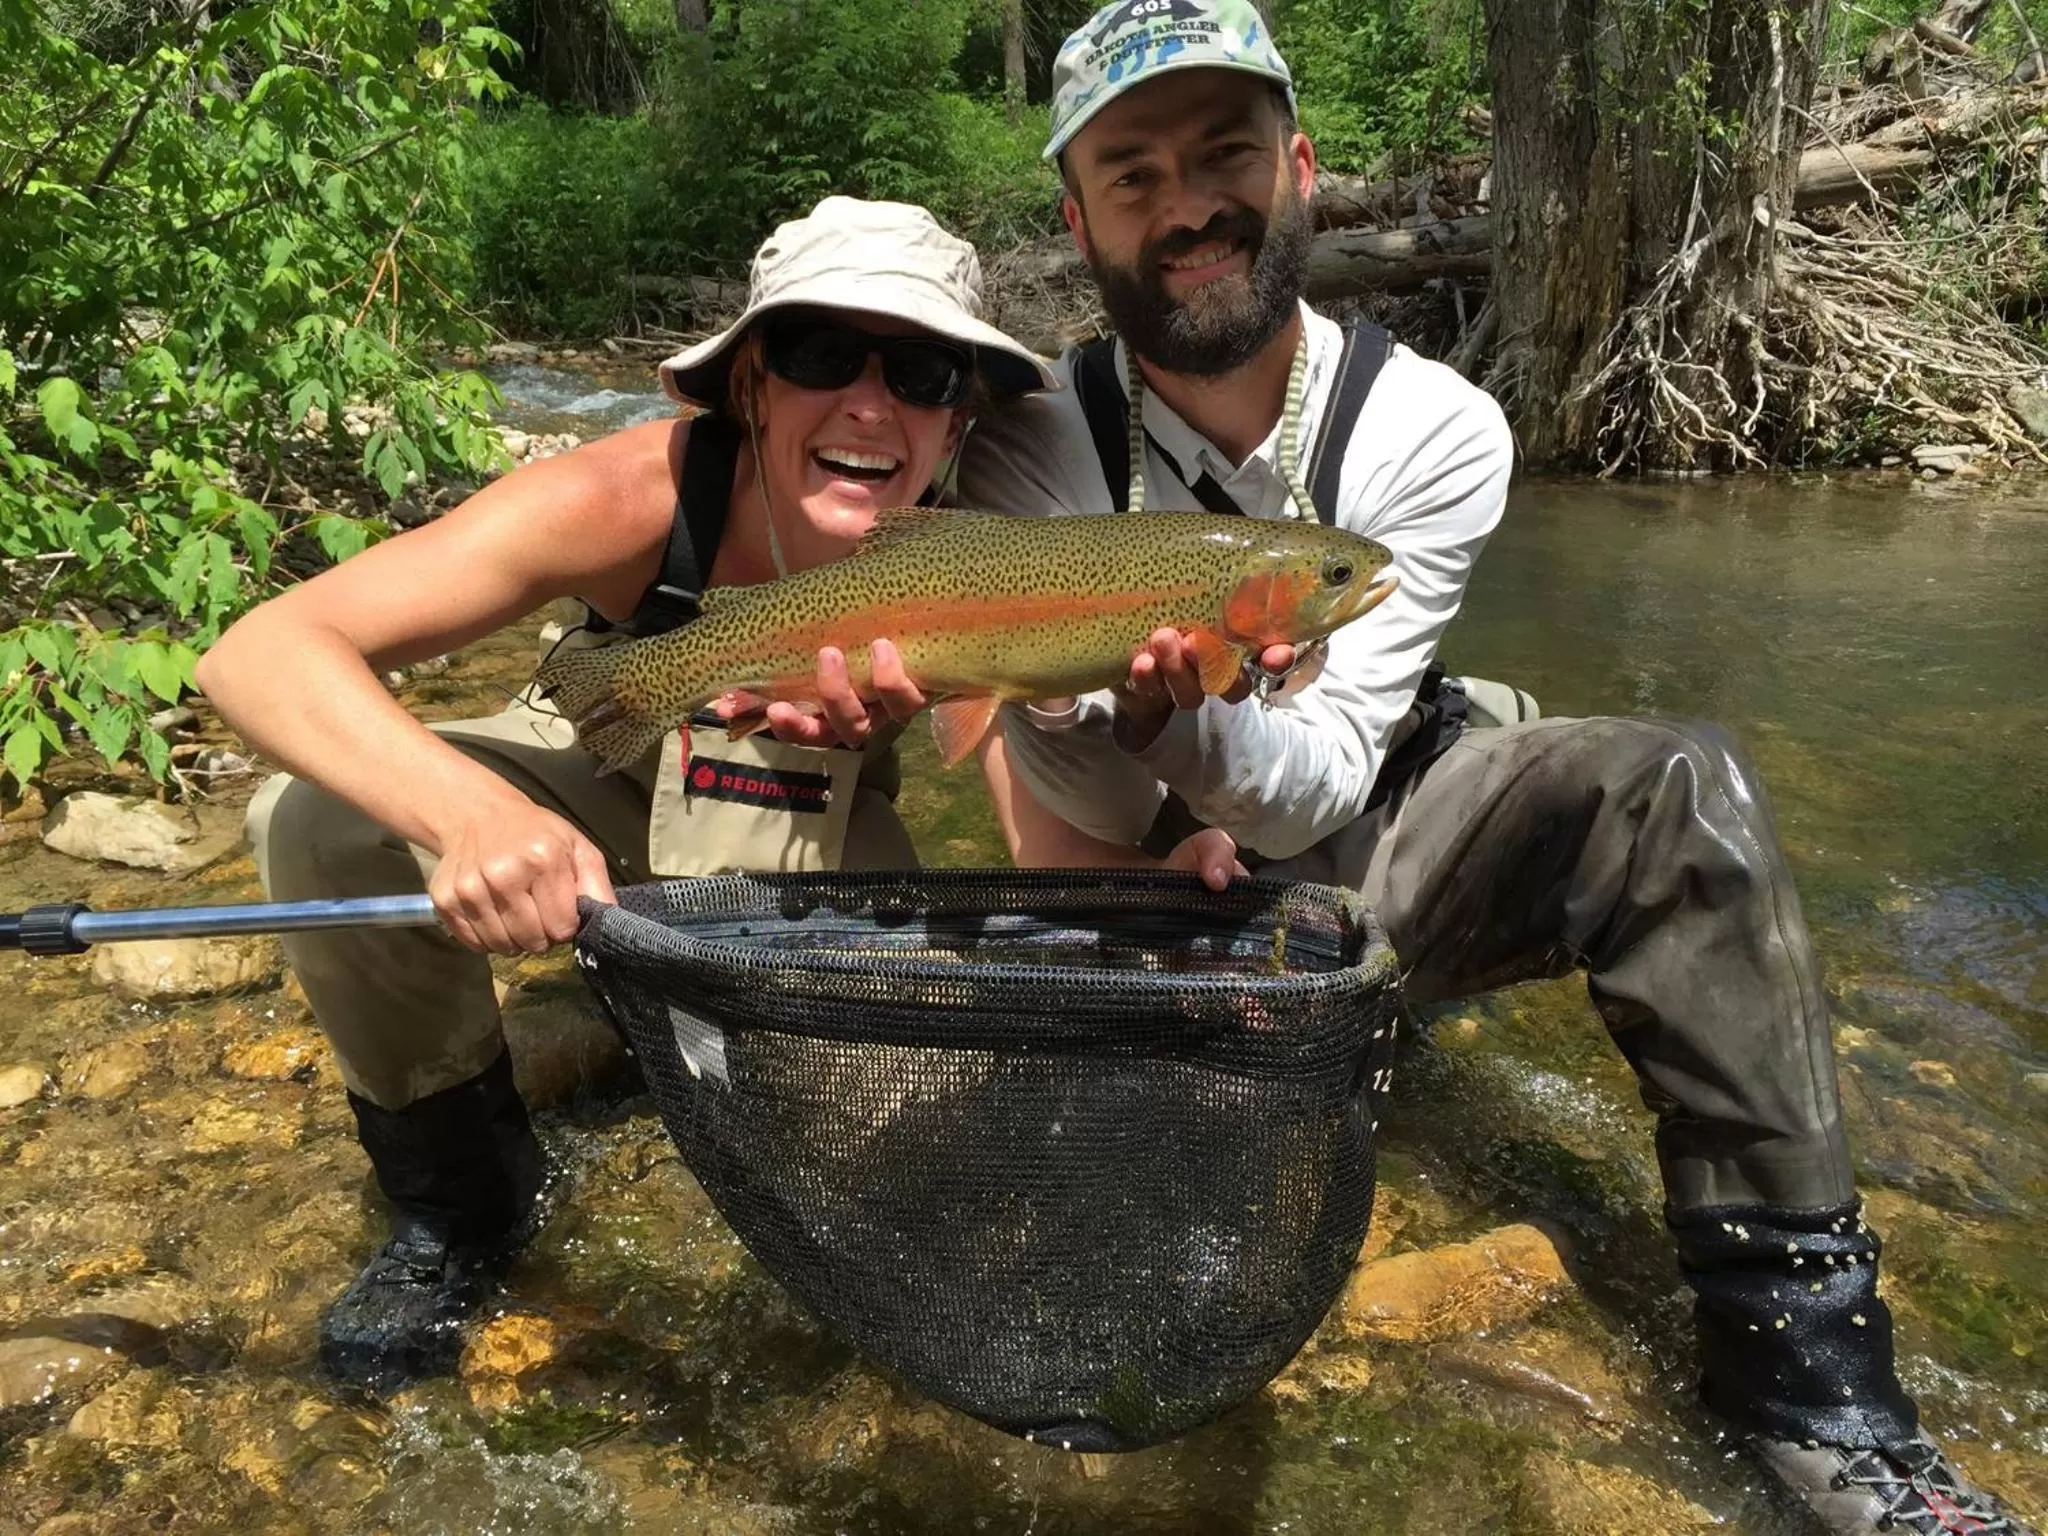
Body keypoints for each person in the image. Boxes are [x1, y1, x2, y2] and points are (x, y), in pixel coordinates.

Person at [801, 4, 2036, 1533]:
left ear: (1300, 166)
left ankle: (1820, 1395)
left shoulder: (1436, 429)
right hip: (1145, 895)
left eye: (1224, 154)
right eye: (1133, 174)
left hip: (1372, 854)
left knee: (1676, 784)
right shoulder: (1027, 446)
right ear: (1079, 218)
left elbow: (1320, 783)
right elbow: (1078, 809)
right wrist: (1085, 710)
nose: (1187, 204)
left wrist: (1183, 712)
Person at [194, 196, 1059, 1394]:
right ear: (751, 382)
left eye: (916, 370)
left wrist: (1099, 910)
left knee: (905, 1136)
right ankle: (459, 1205)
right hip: (597, 747)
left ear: (957, 410)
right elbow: (262, 652)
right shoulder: (629, 495)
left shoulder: (994, 546)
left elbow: (1019, 751)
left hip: (816, 802)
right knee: (314, 820)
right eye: (820, 356)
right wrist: (469, 816)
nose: (869, 404)